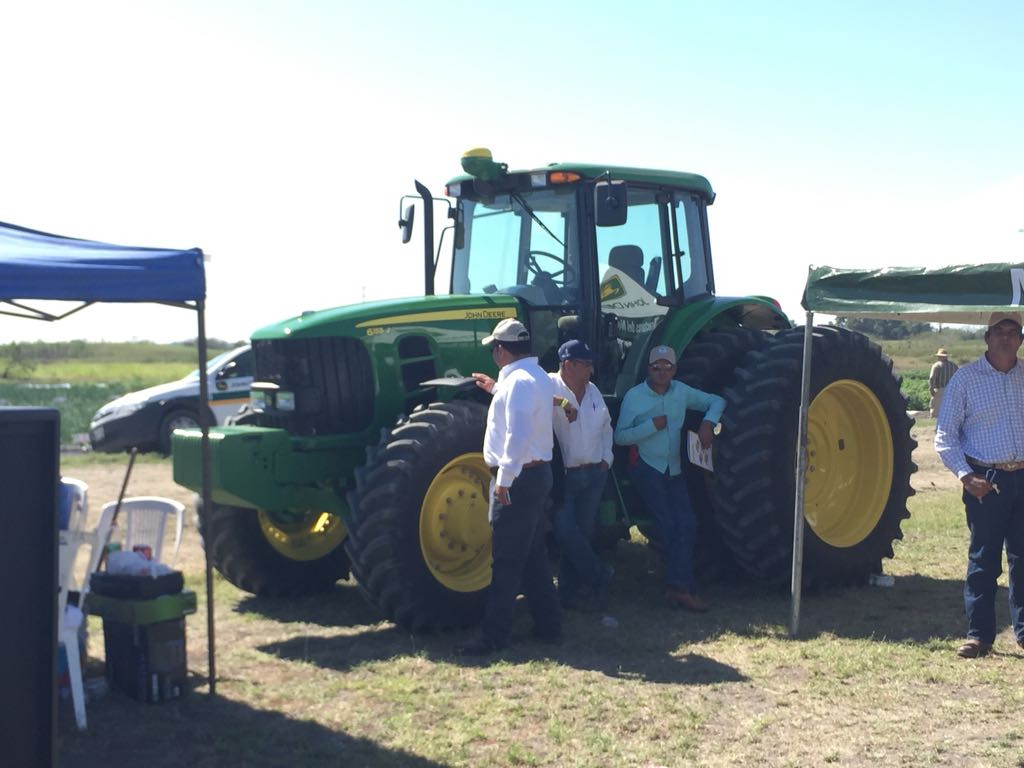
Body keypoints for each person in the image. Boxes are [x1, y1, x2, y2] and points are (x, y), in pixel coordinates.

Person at [459, 318, 562, 655]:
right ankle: (549, 626)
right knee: (533, 556)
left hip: (517, 477)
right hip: (537, 474)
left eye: (494, 349)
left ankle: (493, 636)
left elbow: (517, 433)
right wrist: (494, 389)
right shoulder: (538, 378)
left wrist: (504, 480)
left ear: (501, 350)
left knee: (505, 561)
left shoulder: (518, 383)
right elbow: (527, 408)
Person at [935, 311, 1024, 659]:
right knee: (984, 559)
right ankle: (979, 635)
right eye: (998, 332)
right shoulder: (966, 379)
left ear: (1020, 339)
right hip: (986, 480)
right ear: (986, 338)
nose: (1005, 338)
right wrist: (964, 475)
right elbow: (944, 436)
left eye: (1012, 332)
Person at [614, 344, 725, 612]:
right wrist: (652, 426)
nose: (662, 371)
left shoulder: (681, 392)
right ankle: (681, 588)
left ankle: (677, 587)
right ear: (649, 369)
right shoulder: (635, 397)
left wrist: (708, 423)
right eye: (656, 367)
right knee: (668, 526)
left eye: (667, 367)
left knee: (687, 524)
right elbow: (620, 436)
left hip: (673, 469)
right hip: (647, 467)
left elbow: (717, 401)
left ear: (674, 369)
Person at [549, 339, 615, 611]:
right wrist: (563, 401)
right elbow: (526, 397)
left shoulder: (594, 391)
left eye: (591, 363)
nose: (591, 369)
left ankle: (569, 593)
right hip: (564, 476)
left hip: (594, 473)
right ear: (568, 365)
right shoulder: (548, 384)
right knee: (566, 532)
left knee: (582, 533)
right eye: (586, 364)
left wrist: (607, 459)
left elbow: (606, 426)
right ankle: (598, 575)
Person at [929, 348, 958, 418]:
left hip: (940, 389)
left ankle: (933, 423)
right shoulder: (954, 366)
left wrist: (931, 388)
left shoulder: (936, 365)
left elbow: (932, 378)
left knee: (936, 409)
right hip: (952, 390)